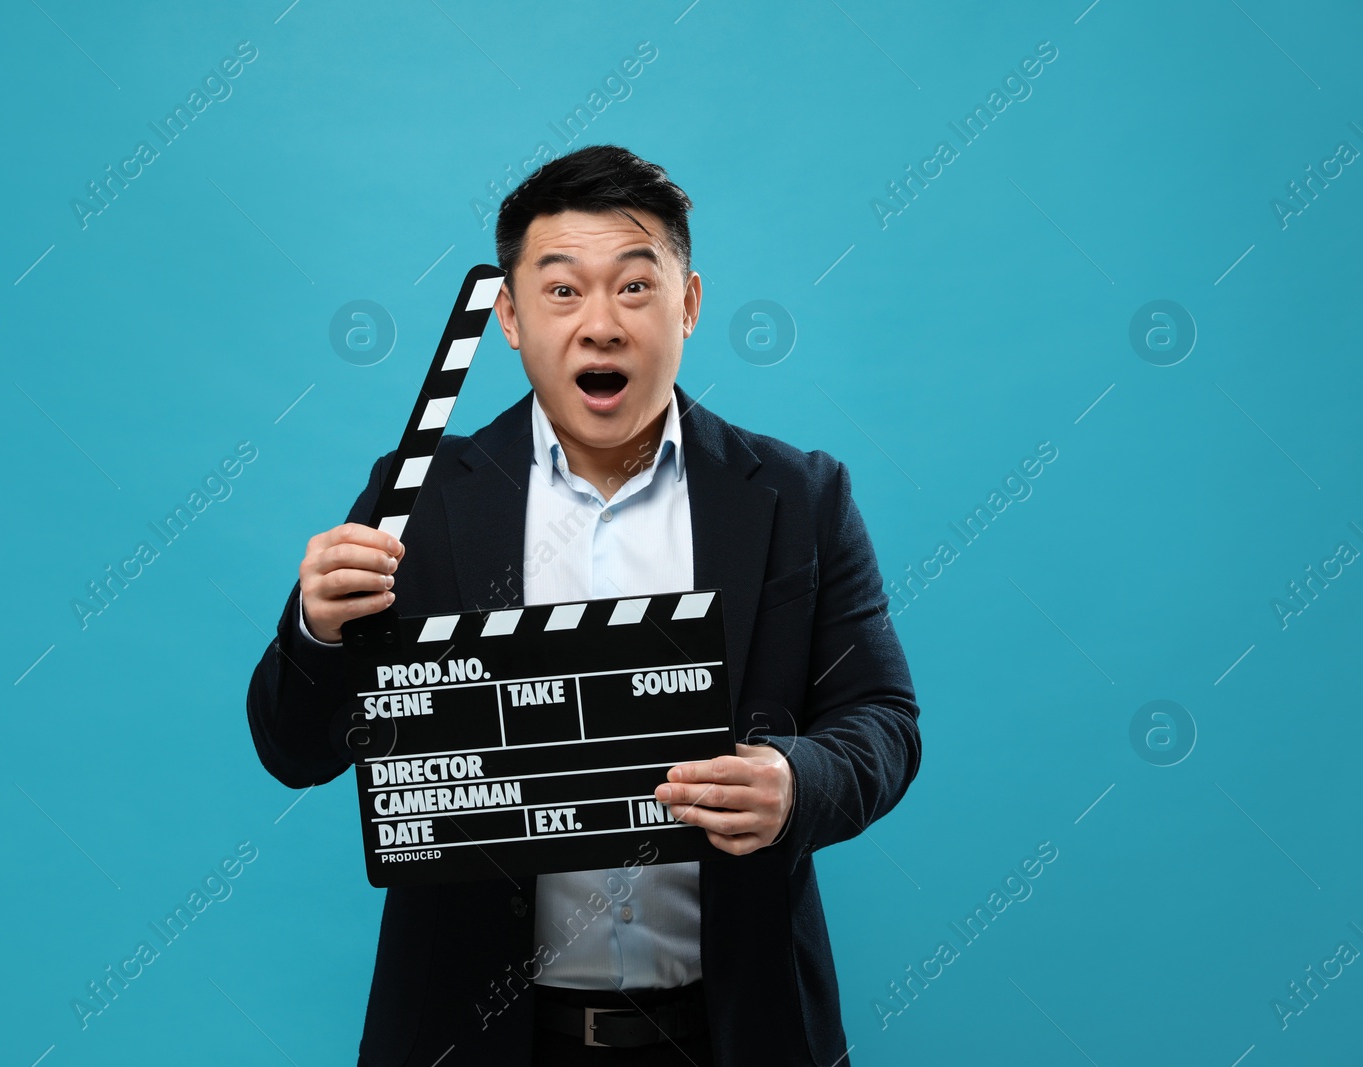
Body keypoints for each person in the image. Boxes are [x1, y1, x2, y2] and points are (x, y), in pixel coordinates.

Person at [246, 144, 921, 1066]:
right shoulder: (421, 502)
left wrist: (799, 781)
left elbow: (884, 720)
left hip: (736, 1032)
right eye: (563, 291)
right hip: (476, 1039)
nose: (600, 325)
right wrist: (319, 630)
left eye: (635, 289)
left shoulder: (801, 498)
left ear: (687, 304)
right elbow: (291, 747)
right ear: (511, 317)